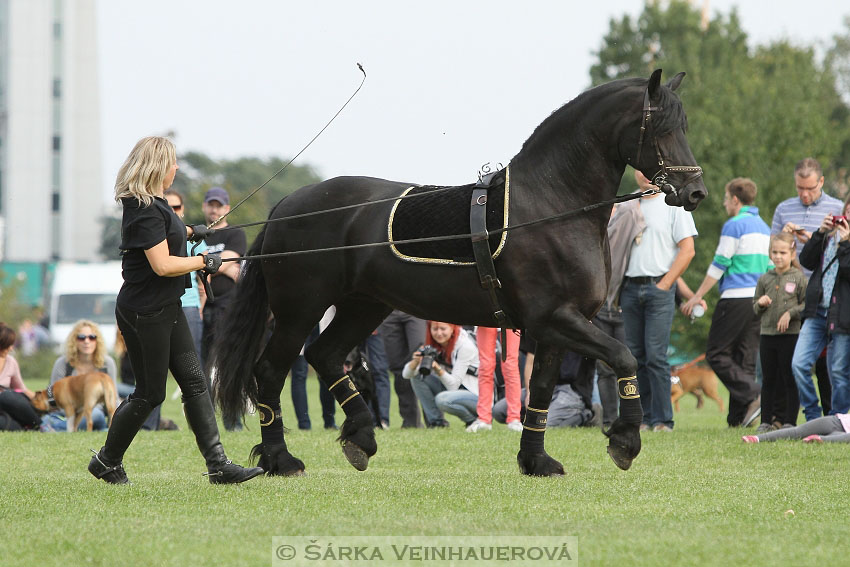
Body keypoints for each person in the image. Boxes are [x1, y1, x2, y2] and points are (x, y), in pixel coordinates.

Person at [88, 136, 262, 485]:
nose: (177, 167)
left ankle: (218, 465)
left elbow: (166, 234)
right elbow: (163, 265)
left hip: (165, 307)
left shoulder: (156, 204)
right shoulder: (144, 208)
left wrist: (191, 230)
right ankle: (106, 461)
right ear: (157, 166)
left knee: (196, 383)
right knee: (149, 394)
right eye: (173, 162)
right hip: (146, 311)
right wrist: (204, 260)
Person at [681, 178, 771, 427]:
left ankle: (754, 393)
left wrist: (697, 295)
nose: (723, 203)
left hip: (735, 298)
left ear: (735, 199)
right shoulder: (764, 227)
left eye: (724, 198)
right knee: (745, 357)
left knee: (717, 353)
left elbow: (720, 263)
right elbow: (770, 265)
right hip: (758, 298)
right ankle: (739, 418)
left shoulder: (734, 225)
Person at [619, 169, 698, 432]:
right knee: (635, 357)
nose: (646, 175)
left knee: (656, 356)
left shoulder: (673, 203)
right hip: (629, 288)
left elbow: (687, 250)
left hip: (659, 287)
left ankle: (663, 420)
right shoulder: (627, 203)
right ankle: (642, 417)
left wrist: (666, 285)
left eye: (651, 170)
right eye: (641, 170)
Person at [793, 196, 850, 421]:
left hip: (843, 314)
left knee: (838, 371)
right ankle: (813, 416)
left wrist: (845, 244)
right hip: (817, 310)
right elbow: (806, 261)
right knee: (799, 364)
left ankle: (839, 419)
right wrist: (819, 233)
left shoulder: (844, 242)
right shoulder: (829, 237)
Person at [752, 233, 807, 432]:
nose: (778, 256)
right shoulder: (765, 278)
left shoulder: (799, 278)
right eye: (774, 252)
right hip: (767, 335)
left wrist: (790, 313)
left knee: (788, 378)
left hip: (790, 336)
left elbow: (806, 304)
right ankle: (766, 421)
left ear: (792, 253)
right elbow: (755, 307)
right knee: (768, 380)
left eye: (783, 252)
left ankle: (789, 421)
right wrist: (760, 303)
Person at [199, 186, 246, 375]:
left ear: (227, 209)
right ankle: (205, 403)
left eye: (219, 206)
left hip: (226, 305)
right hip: (199, 306)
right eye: (211, 205)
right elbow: (223, 264)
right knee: (202, 359)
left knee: (227, 357)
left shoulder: (235, 233)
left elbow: (218, 264)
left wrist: (203, 265)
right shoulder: (196, 235)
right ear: (204, 207)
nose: (214, 210)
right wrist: (222, 266)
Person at [41, 320, 119, 432]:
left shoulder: (107, 363)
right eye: (81, 337)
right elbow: (51, 394)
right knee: (48, 418)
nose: (87, 341)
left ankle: (55, 428)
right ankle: (59, 426)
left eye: (92, 337)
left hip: (95, 412)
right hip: (65, 413)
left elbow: (113, 397)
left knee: (95, 414)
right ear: (74, 341)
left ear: (97, 340)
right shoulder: (63, 363)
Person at [771, 158, 843, 276]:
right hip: (789, 285)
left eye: (810, 189)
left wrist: (814, 240)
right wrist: (783, 237)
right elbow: (771, 251)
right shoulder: (783, 209)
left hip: (823, 286)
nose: (804, 194)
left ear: (821, 182)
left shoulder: (838, 208)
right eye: (800, 188)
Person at [402, 321, 479, 428]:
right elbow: (406, 375)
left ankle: (472, 420)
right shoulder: (433, 345)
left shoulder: (465, 346)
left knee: (442, 399)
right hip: (455, 391)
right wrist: (415, 362)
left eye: (443, 329)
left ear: (452, 329)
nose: (439, 333)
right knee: (417, 376)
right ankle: (437, 423)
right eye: (435, 329)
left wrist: (438, 369)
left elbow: (453, 385)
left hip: (475, 395)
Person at [493, 350, 594, 428]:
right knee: (498, 411)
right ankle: (533, 420)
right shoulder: (542, 326)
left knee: (544, 425)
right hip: (540, 386)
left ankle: (586, 415)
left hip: (570, 389)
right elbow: (530, 361)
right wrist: (529, 393)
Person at [164, 188, 206, 359]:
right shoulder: (153, 238)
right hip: (161, 304)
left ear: (183, 209)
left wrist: (200, 307)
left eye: (177, 207)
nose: (173, 211)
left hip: (189, 305)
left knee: (192, 358)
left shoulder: (194, 241)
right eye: (168, 207)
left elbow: (203, 281)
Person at [467, 327, 522, 432]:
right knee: (485, 366)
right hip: (486, 314)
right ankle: (483, 419)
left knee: (510, 365)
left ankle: (514, 418)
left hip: (510, 315)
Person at [379, 310, 426, 427]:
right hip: (389, 311)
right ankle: (410, 422)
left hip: (415, 307)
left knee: (422, 361)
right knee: (398, 368)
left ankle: (435, 420)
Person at [0, 323, 40, 431]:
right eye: (8, 345)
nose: (11, 348)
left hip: (8, 403)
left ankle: (39, 424)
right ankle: (24, 428)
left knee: (7, 397)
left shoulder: (10, 362)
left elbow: (22, 389)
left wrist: (44, 401)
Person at [742, 413, 850, 443]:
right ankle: (757, 438)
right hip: (838, 421)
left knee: (844, 437)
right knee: (797, 431)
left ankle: (820, 439)